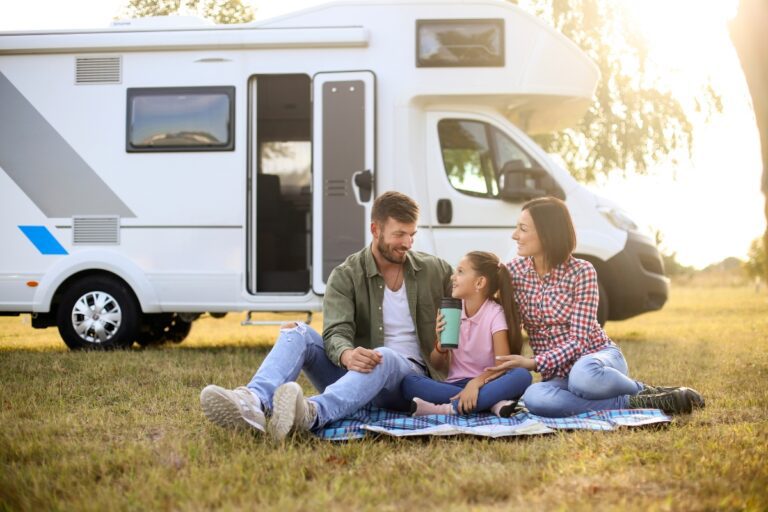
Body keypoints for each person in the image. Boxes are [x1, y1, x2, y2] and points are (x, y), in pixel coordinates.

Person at [200, 191, 453, 441]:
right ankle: (252, 402)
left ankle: (312, 413)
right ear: (375, 230)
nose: (408, 243)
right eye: (399, 234)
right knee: (297, 330)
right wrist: (348, 354)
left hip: (406, 382)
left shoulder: (436, 270)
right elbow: (335, 332)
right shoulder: (346, 274)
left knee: (383, 356)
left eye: (412, 235)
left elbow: (475, 305)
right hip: (355, 376)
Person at [485, 196, 704, 417]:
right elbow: (487, 305)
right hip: (558, 376)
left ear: (546, 232)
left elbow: (578, 342)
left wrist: (532, 362)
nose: (515, 236)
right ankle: (635, 402)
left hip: (596, 360)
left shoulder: (582, 271)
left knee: (584, 378)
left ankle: (645, 391)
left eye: (522, 229)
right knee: (534, 397)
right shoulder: (513, 273)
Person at [401, 251, 532, 416]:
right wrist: (440, 346)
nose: (452, 277)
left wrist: (475, 384)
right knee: (409, 382)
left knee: (521, 376)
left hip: (487, 382)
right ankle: (490, 403)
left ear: (479, 282)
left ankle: (448, 409)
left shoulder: (494, 313)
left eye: (460, 272)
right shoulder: (452, 310)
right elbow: (437, 365)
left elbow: (502, 366)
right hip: (455, 385)